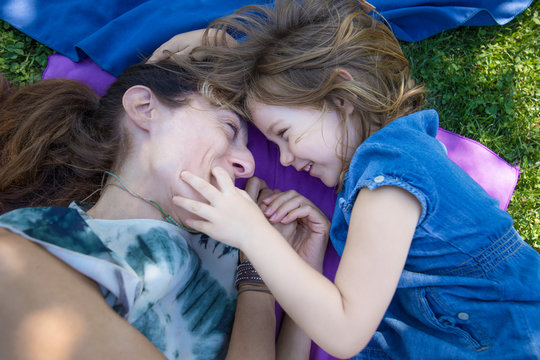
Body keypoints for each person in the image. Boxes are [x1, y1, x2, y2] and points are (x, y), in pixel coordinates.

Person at [151, 0, 540, 358]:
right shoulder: (381, 170)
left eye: (284, 133)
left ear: (340, 97)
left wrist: (252, 232)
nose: (285, 158)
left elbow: (344, 331)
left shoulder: (390, 168)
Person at [0, 60, 328, 359]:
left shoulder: (233, 247)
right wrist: (258, 276)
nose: (248, 163)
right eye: (229, 129)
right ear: (145, 108)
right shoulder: (33, 250)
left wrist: (294, 274)